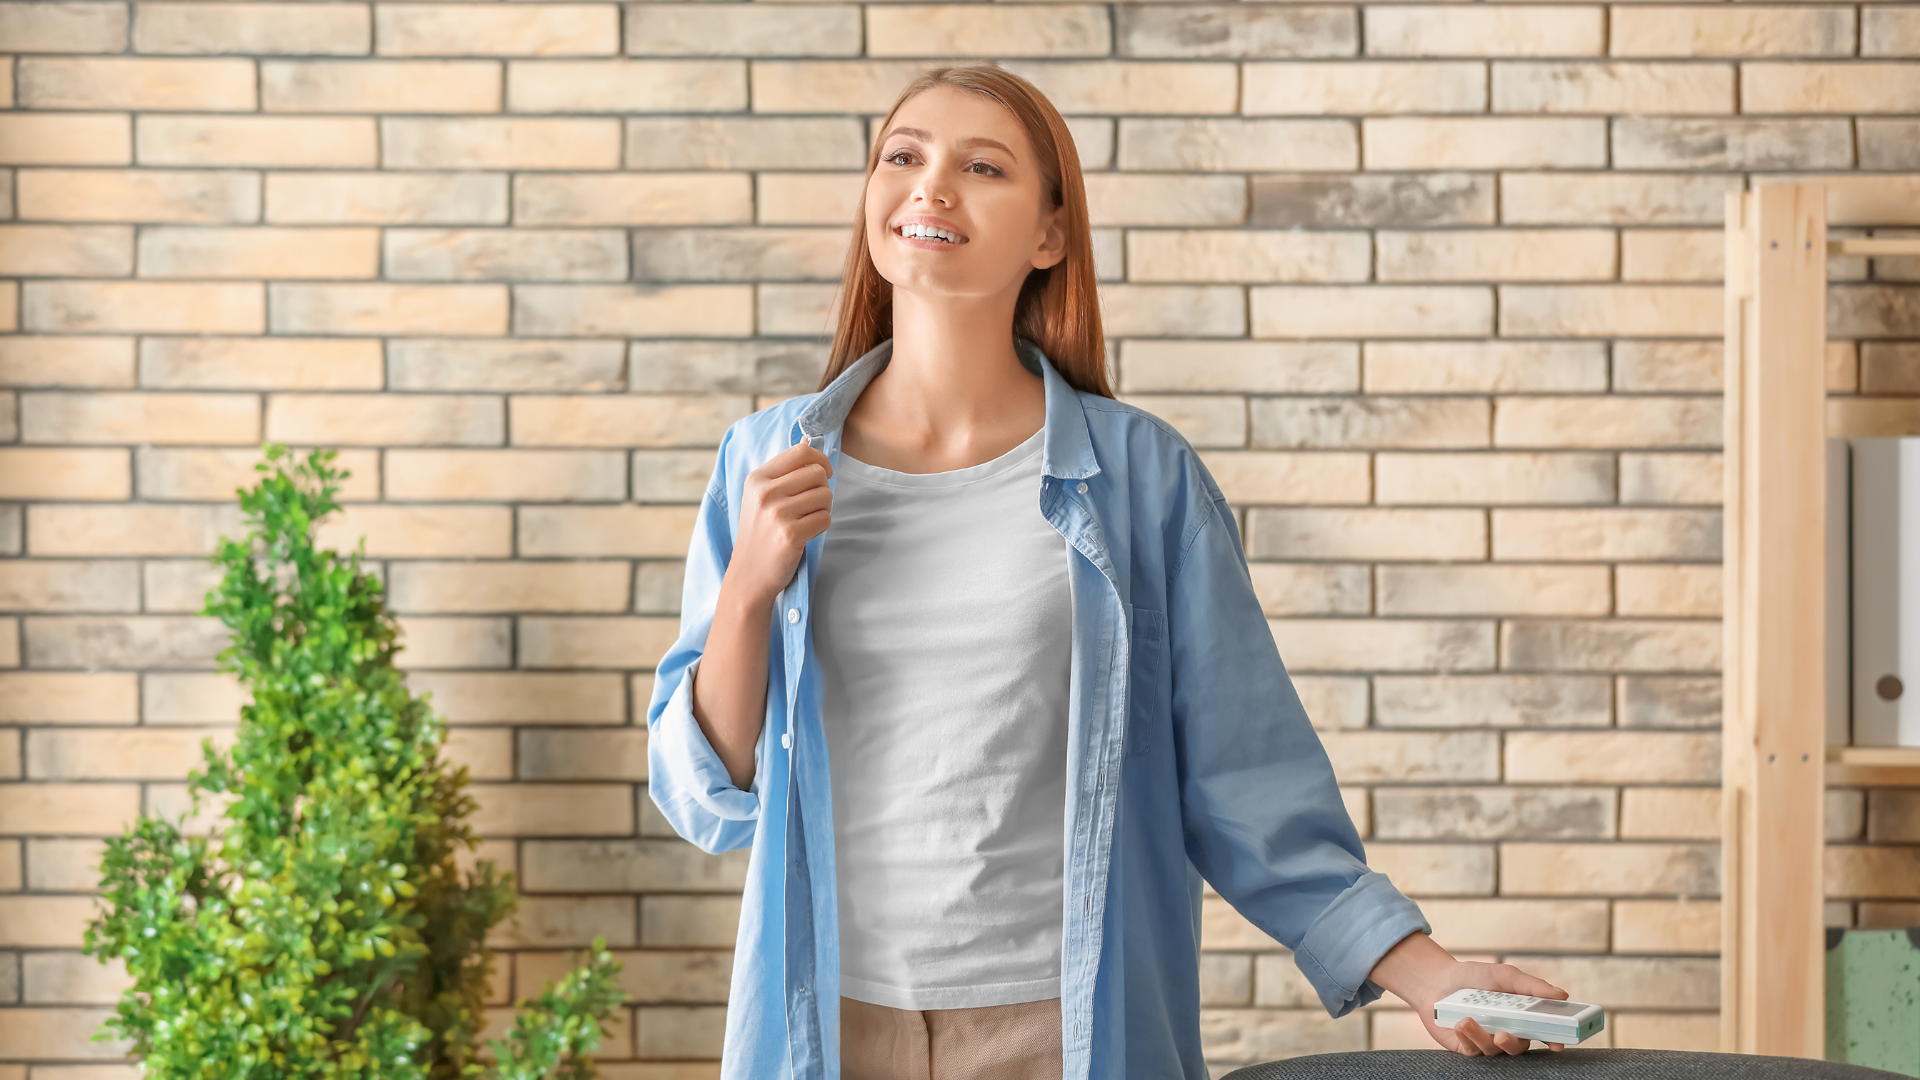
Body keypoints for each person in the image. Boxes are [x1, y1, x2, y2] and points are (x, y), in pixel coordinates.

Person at [646, 64, 1575, 1080]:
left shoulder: (1141, 480)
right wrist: (747, 589)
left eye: (982, 166)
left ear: (1050, 235)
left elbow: (1242, 771)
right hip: (821, 1029)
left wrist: (1424, 970)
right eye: (903, 156)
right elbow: (707, 793)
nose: (931, 186)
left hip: (1063, 1031)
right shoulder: (766, 461)